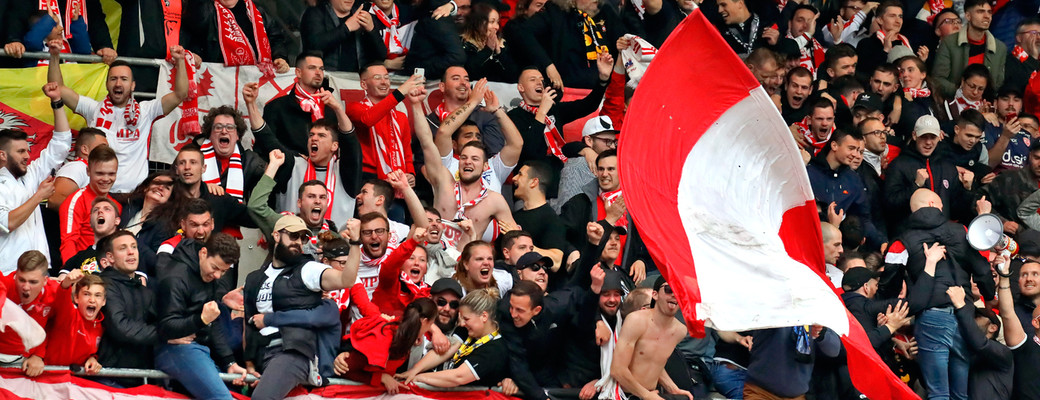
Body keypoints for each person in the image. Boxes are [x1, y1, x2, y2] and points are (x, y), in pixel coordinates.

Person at [879, 189, 995, 400]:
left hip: (931, 316)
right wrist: (989, 294)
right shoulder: (962, 231)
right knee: (961, 394)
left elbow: (889, 283)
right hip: (964, 314)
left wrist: (884, 307)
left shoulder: (901, 241)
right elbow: (983, 269)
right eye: (941, 205)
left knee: (938, 393)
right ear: (933, 204)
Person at [246, 215, 363, 399]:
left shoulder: (308, 269)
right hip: (262, 355)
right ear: (276, 236)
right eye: (294, 236)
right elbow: (249, 323)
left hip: (292, 352)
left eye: (303, 238)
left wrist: (355, 243)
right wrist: (250, 365)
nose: (299, 242)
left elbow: (345, 280)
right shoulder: (254, 278)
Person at [50, 46, 188, 194]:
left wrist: (180, 61)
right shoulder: (93, 109)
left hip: (134, 195)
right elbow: (57, 89)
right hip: (101, 193)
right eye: (113, 79)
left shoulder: (146, 111)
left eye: (124, 79)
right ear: (107, 84)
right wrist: (54, 56)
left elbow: (180, 94)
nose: (118, 84)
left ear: (133, 85)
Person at [414, 86, 517, 248]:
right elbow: (427, 142)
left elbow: (515, 238)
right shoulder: (444, 181)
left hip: (467, 265)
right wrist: (415, 106)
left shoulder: (495, 200)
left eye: (475, 158)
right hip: (433, 259)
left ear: (485, 166)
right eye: (464, 158)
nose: (468, 162)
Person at [155, 233, 245, 399]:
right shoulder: (175, 277)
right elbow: (166, 326)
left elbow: (213, 321)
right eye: (215, 268)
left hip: (197, 348)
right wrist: (201, 320)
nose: (217, 276)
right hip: (175, 349)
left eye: (223, 271)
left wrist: (229, 361)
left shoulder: (209, 277)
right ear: (203, 253)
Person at [0, 82, 71, 270]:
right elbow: (8, 223)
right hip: (9, 273)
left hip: (41, 271)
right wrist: (39, 195)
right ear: (2, 155)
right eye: (21, 152)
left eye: (27, 151)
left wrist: (56, 101)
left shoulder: (30, 174)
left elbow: (61, 143)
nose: (27, 156)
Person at [507, 57, 612, 169]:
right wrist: (542, 111)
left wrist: (603, 80)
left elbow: (588, 105)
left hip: (557, 170)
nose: (539, 83)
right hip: (529, 175)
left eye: (541, 79)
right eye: (532, 80)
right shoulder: (512, 117)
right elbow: (529, 152)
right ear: (521, 87)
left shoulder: (554, 109)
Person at [248, 53, 356, 159]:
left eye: (321, 69)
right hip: (289, 172)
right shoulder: (276, 107)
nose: (318, 73)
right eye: (312, 68)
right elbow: (264, 146)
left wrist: (338, 109)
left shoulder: (331, 109)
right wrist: (295, 158)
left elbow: (349, 146)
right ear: (298, 73)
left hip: (327, 173)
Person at [399, 288, 510, 388]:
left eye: (466, 319)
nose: (462, 324)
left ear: (484, 317)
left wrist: (418, 378)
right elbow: (444, 350)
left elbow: (458, 376)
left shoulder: (495, 349)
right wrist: (414, 370)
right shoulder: (467, 331)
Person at [431, 78, 523, 195]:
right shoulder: (447, 163)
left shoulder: (493, 166)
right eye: (468, 136)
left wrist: (496, 110)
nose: (474, 139)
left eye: (478, 136)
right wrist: (473, 102)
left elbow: (516, 144)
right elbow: (443, 132)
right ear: (454, 144)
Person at [885, 115, 975, 233]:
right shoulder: (899, 164)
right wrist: (916, 185)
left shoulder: (948, 167)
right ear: (914, 136)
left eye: (932, 137)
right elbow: (889, 205)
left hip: (942, 236)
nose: (928, 142)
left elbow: (957, 212)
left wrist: (967, 190)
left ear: (939, 137)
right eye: (923, 137)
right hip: (911, 237)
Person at [506, 0, 620, 89]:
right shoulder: (555, 11)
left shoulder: (605, 11)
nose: (597, 0)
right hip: (567, 89)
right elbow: (523, 33)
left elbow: (623, 40)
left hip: (603, 89)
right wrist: (548, 65)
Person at [611, 278, 692, 400]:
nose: (674, 295)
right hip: (622, 395)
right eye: (668, 289)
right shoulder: (636, 320)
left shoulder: (680, 331)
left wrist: (672, 388)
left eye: (680, 292)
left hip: (652, 394)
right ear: (655, 294)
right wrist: (646, 395)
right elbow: (617, 370)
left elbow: (654, 361)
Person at [333, 298, 438, 393]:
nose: (429, 329)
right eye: (431, 324)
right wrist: (380, 377)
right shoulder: (383, 338)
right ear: (424, 322)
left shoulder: (405, 336)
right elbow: (344, 370)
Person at [248, 150, 339, 259]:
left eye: (322, 197)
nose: (318, 201)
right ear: (299, 202)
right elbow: (256, 206)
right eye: (311, 196)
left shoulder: (334, 239)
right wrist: (273, 165)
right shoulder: (283, 224)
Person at [97, 230, 160, 386]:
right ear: (110, 257)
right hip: (109, 376)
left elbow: (164, 320)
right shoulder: (104, 284)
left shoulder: (144, 291)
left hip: (139, 378)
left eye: (134, 247)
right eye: (123, 248)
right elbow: (121, 327)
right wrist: (166, 334)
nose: (131, 252)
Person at [345, 63, 424, 181]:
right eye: (377, 78)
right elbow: (368, 120)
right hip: (367, 177)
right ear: (363, 84)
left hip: (398, 179)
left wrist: (410, 173)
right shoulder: (354, 108)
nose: (384, 82)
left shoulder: (400, 117)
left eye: (386, 77)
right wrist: (401, 91)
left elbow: (407, 152)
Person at [182, 0, 291, 75]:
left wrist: (280, 57)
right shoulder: (206, 10)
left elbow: (276, 37)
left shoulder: (257, 10)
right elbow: (194, 23)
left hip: (257, 82)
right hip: (220, 83)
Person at [946, 284, 1013, 400]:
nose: (972, 319)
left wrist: (961, 307)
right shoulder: (963, 351)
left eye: (977, 316)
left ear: (993, 327)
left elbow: (980, 344)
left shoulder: (1003, 352)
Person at [0, 251, 60, 377]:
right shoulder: (4, 286)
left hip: (26, 362)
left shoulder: (56, 293)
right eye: (21, 280)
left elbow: (58, 327)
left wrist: (39, 355)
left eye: (33, 282)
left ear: (45, 280)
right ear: (16, 275)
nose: (26, 287)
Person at [931, 0, 1007, 98]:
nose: (987, 16)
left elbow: (998, 84)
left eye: (989, 12)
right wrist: (962, 93)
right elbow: (938, 79)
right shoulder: (949, 43)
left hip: (984, 106)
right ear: (968, 16)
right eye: (980, 11)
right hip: (953, 104)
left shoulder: (1000, 48)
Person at [59, 145, 120, 263]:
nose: (106, 179)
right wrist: (71, 272)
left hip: (111, 271)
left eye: (111, 174)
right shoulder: (76, 201)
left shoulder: (116, 205)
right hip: (84, 271)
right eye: (100, 173)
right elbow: (68, 242)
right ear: (88, 171)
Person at [193, 106, 266, 203]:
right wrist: (202, 187)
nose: (224, 131)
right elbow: (177, 186)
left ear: (237, 135)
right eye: (218, 127)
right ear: (210, 135)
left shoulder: (251, 162)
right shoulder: (192, 156)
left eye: (230, 127)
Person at [994, 256, 1040, 399]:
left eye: (1035, 274)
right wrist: (1004, 275)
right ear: (1036, 323)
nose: (1029, 279)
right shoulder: (1026, 347)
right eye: (1024, 275)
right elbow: (1007, 313)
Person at [44, 271, 105, 374]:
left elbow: (90, 351)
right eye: (86, 294)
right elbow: (62, 297)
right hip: (48, 377)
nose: (92, 300)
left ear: (104, 301)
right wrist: (67, 282)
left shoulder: (102, 326)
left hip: (74, 382)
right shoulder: (68, 315)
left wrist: (92, 358)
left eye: (98, 295)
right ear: (76, 298)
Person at [554, 115, 618, 212]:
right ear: (589, 140)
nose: (613, 146)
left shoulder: (614, 162)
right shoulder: (577, 167)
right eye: (607, 141)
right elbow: (566, 211)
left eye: (614, 141)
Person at [300, 0, 386, 73]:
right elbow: (313, 46)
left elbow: (381, 55)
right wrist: (347, 28)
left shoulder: (362, 14)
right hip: (327, 78)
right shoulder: (315, 13)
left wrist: (372, 30)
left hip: (358, 81)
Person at [511, 160, 568, 264]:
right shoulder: (513, 217)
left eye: (520, 174)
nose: (514, 178)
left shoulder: (551, 220)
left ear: (534, 182)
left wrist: (519, 239)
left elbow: (556, 261)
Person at [59, 197, 121, 277]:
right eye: (95, 210)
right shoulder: (78, 258)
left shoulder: (127, 253)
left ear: (117, 221)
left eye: (107, 209)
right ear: (90, 223)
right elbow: (61, 283)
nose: (100, 211)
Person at [48, 127, 107, 207]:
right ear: (85, 149)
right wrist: (86, 214)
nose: (106, 151)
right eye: (102, 147)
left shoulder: (87, 169)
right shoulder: (77, 167)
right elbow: (55, 199)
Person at [856, 1, 916, 78]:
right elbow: (867, 74)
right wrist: (885, 50)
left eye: (900, 16)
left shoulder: (907, 43)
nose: (898, 21)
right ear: (880, 20)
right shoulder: (867, 44)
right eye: (892, 16)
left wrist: (920, 61)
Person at [459, 3, 513, 82]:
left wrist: (499, 53)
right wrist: (488, 49)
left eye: (497, 22)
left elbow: (512, 76)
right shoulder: (464, 43)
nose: (496, 27)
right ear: (478, 22)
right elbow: (469, 72)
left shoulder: (502, 43)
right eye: (492, 22)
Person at [714, 0, 778, 59]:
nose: (719, 10)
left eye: (723, 5)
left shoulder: (768, 26)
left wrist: (777, 44)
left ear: (740, 4)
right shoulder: (719, 31)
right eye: (718, 6)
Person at [1005, 18, 1040, 94]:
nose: (1038, 38)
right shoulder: (1009, 61)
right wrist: (1033, 59)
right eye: (1033, 33)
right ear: (1019, 38)